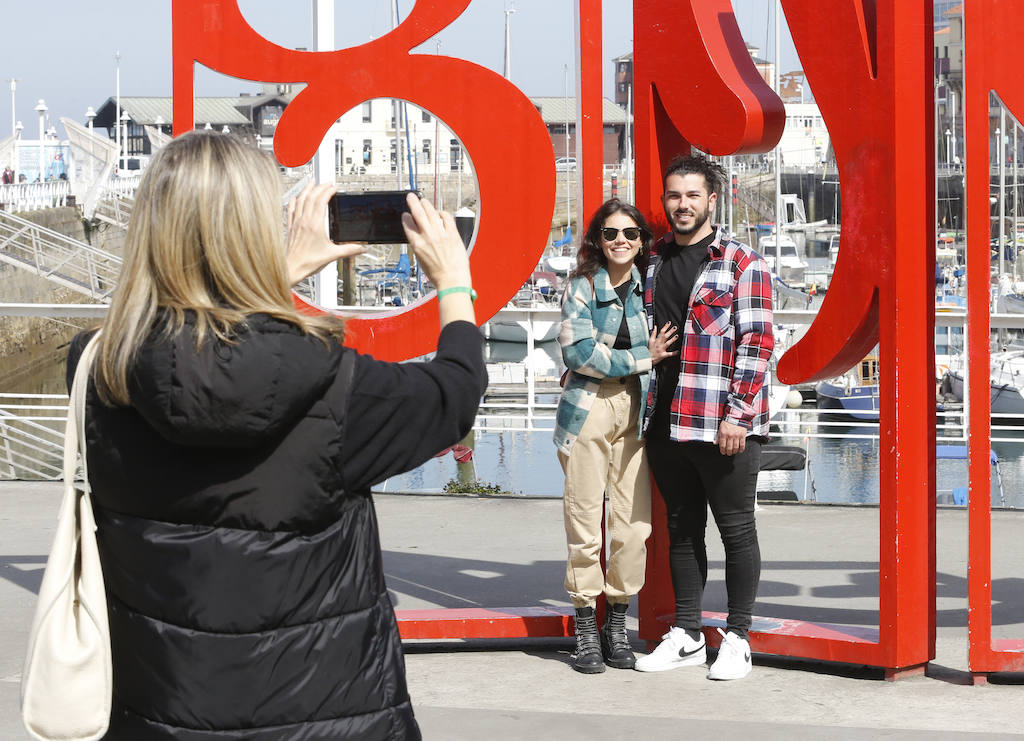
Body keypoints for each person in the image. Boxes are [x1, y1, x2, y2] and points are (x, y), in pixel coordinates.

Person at [67, 131, 485, 739]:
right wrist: (452, 282)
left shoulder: (97, 373)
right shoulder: (335, 385)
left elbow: (198, 349)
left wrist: (270, 276)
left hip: (160, 711)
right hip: (325, 715)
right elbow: (453, 395)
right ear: (255, 233)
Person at [634, 154, 774, 681]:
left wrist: (738, 414)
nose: (683, 204)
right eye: (674, 195)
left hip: (722, 424)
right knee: (681, 528)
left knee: (736, 529)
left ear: (712, 200)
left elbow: (757, 343)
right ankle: (688, 632)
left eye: (692, 195)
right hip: (665, 419)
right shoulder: (653, 260)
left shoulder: (742, 263)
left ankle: (738, 637)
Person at [553, 199, 677, 673]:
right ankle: (586, 620)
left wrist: (639, 362)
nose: (620, 240)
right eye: (610, 233)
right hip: (588, 407)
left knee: (633, 525)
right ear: (597, 240)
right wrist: (643, 356)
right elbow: (579, 354)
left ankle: (617, 619)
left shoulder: (652, 288)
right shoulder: (582, 287)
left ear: (642, 241)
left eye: (629, 233)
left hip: (637, 409)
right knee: (584, 520)